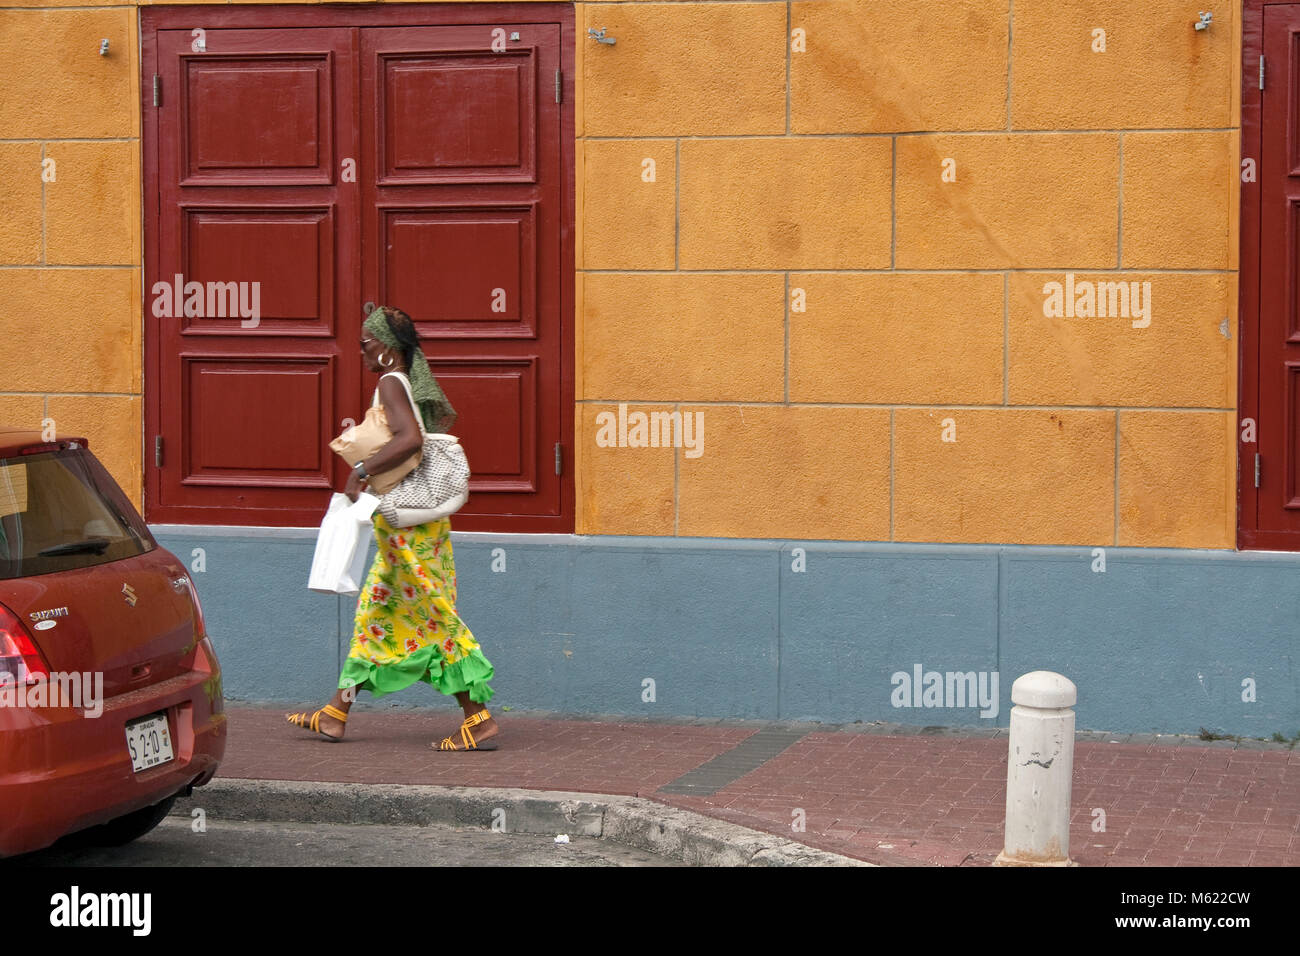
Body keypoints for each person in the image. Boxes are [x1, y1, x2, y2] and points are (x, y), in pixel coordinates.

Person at [286, 306, 500, 751]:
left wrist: (360, 469)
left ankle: (477, 721)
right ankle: (335, 712)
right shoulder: (400, 381)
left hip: (408, 530)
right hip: (410, 528)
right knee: (377, 616)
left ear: (387, 349)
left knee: (434, 617)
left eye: (366, 341)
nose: (361, 348)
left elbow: (409, 439)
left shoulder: (389, 381)